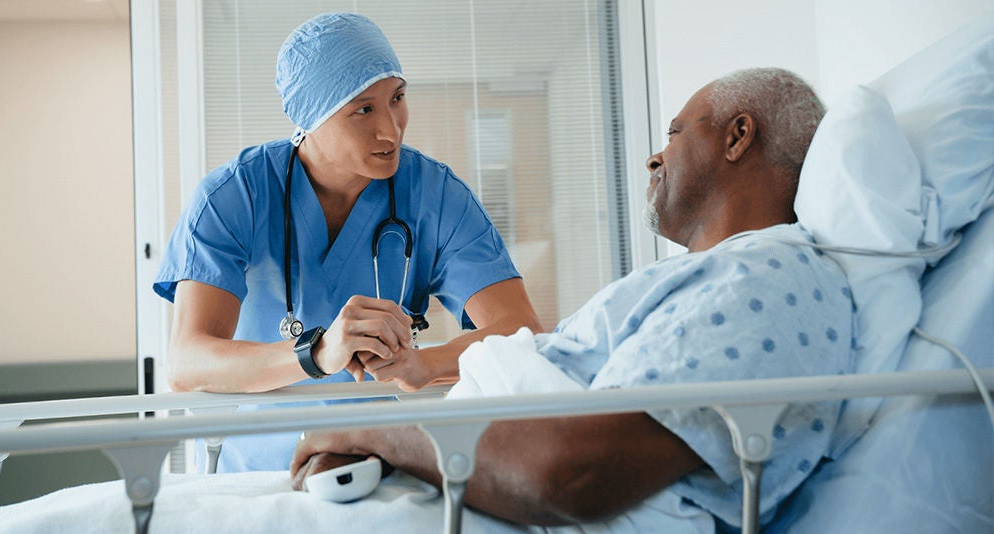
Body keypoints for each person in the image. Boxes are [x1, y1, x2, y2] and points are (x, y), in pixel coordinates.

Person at [291, 68, 856, 528]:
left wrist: (370, 432)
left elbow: (574, 474)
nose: (654, 159)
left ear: (738, 136)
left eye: (676, 134)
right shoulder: (707, 278)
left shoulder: (765, 279)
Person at [153, 12, 541, 473]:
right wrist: (317, 353)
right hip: (249, 475)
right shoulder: (236, 196)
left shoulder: (435, 196)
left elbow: (522, 333)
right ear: (310, 117)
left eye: (397, 98)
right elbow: (186, 362)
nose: (391, 130)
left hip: (371, 469)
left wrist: (425, 365)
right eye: (363, 110)